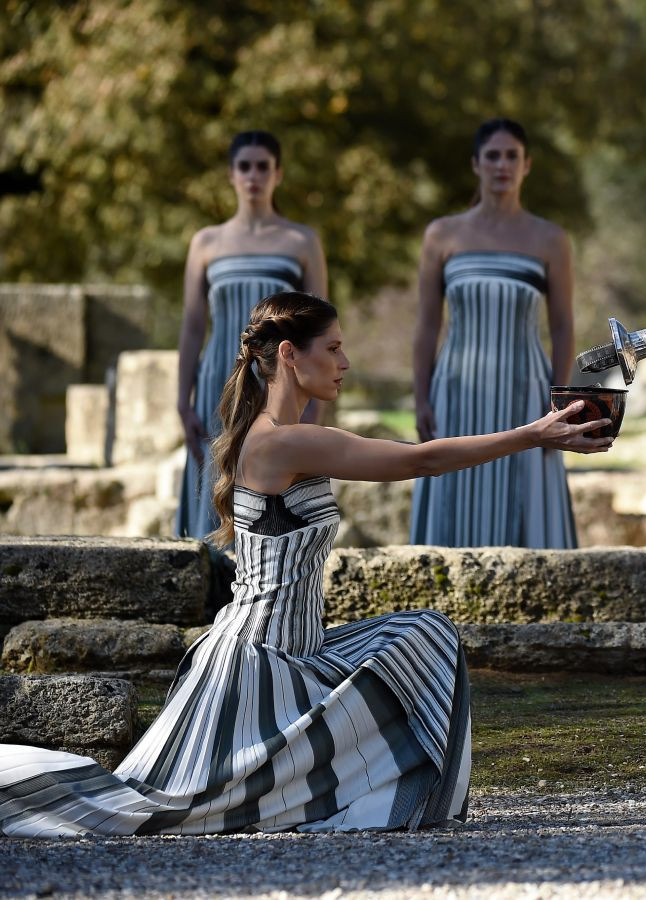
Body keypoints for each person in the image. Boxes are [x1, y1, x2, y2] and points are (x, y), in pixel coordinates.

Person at [0, 292, 611, 837]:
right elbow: (419, 460)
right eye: (335, 348)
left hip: (296, 653)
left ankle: (373, 793)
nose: (345, 363)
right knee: (148, 810)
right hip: (256, 663)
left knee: (424, 636)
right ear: (290, 355)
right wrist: (533, 434)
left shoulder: (284, 434)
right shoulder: (280, 441)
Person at [410, 119, 577, 548]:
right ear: (476, 164)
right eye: (493, 156)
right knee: (453, 485)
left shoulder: (550, 239)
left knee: (524, 497)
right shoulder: (442, 235)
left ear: (526, 166)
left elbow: (561, 326)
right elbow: (428, 323)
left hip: (527, 392)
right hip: (456, 391)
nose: (502, 165)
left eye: (511, 156)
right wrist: (422, 396)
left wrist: (560, 400)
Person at [177, 130, 328, 539]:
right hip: (217, 385)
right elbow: (193, 323)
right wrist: (182, 398)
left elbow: (320, 327)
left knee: (272, 495)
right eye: (245, 166)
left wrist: (316, 403)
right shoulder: (206, 242)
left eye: (263, 166)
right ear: (231, 174)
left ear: (278, 173)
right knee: (214, 486)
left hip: (276, 384)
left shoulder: (301, 241)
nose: (253, 175)